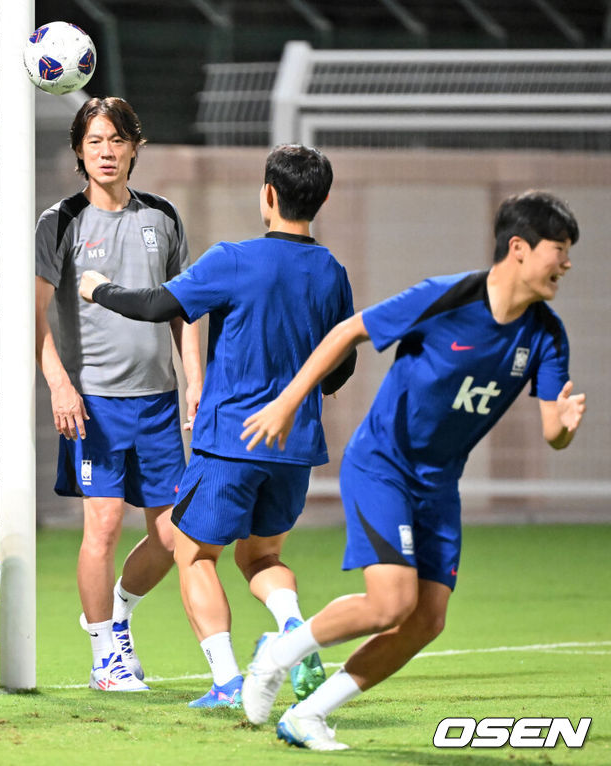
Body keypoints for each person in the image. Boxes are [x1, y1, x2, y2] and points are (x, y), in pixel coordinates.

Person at [238, 190, 586, 750]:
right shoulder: (448, 298)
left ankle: (309, 715)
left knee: (427, 620)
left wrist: (565, 424)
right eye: (560, 249)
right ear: (518, 248)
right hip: (382, 467)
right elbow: (347, 332)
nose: (567, 263)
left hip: (439, 485)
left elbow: (553, 434)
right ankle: (277, 654)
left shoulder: (546, 334)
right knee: (390, 603)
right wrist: (286, 402)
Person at [80, 144, 357, 708]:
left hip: (231, 441)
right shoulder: (331, 271)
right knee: (262, 558)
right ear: (322, 200)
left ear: (269, 194)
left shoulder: (234, 259)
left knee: (194, 554)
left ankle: (229, 681)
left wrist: (96, 289)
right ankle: (294, 632)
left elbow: (159, 305)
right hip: (295, 447)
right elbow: (341, 364)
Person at [35, 96, 203, 691]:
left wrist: (194, 385)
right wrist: (59, 385)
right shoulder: (60, 221)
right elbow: (35, 319)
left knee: (171, 535)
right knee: (102, 529)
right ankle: (103, 654)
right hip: (93, 404)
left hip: (157, 401)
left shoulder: (163, 216)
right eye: (94, 141)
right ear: (79, 151)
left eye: (116, 140)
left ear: (136, 146)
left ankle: (118, 613)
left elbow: (183, 312)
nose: (106, 152)